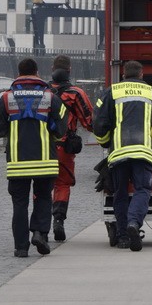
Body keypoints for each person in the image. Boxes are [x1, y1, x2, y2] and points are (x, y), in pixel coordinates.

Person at [0, 58, 68, 257]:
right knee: (43, 199)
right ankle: (40, 233)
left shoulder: (6, 98)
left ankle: (21, 248)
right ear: (36, 73)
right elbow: (61, 130)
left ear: (19, 73)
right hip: (46, 161)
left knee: (19, 204)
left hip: (18, 162)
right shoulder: (50, 97)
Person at [93, 60, 152, 252]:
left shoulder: (111, 91)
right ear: (142, 74)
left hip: (118, 152)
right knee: (142, 189)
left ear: (123, 74)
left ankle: (123, 237)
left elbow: (100, 123)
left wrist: (104, 141)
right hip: (142, 151)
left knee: (120, 193)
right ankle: (134, 223)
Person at [48, 54, 95, 242]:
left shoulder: (43, 91)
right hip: (63, 147)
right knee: (62, 184)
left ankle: (39, 227)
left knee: (41, 185)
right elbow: (90, 122)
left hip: (40, 147)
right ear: (69, 70)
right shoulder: (75, 93)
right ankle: (58, 220)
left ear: (52, 70)